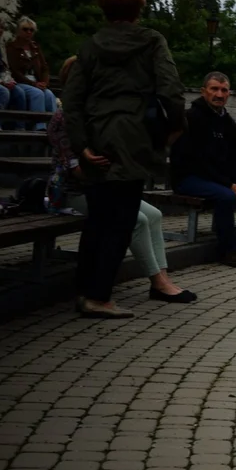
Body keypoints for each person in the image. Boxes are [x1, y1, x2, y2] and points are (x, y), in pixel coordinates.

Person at [62, 0, 187, 318]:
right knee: (121, 221)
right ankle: (99, 297)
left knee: (98, 220)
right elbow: (170, 88)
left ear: (104, 8)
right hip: (134, 138)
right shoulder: (151, 40)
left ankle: (85, 291)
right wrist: (175, 126)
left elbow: (71, 101)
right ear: (139, 7)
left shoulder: (90, 47)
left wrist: (82, 147)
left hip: (97, 136)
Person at [48, 56, 196, 304]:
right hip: (73, 192)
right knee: (134, 220)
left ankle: (162, 278)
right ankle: (158, 283)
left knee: (154, 215)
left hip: (105, 187)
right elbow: (77, 172)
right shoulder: (64, 119)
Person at [171, 72, 236, 268]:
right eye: (214, 89)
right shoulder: (191, 118)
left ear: (229, 94)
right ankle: (227, 251)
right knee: (226, 196)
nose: (219, 94)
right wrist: (229, 185)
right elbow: (195, 162)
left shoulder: (228, 122)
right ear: (204, 91)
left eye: (224, 90)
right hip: (190, 178)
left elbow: (233, 159)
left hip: (219, 180)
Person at [7, 16, 58, 119]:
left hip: (36, 82)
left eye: (31, 30)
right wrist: (33, 84)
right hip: (20, 82)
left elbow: (44, 68)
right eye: (25, 29)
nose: (29, 32)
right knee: (37, 94)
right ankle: (39, 126)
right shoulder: (11, 47)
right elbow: (14, 71)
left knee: (49, 95)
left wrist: (45, 82)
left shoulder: (35, 48)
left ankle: (54, 125)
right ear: (18, 30)